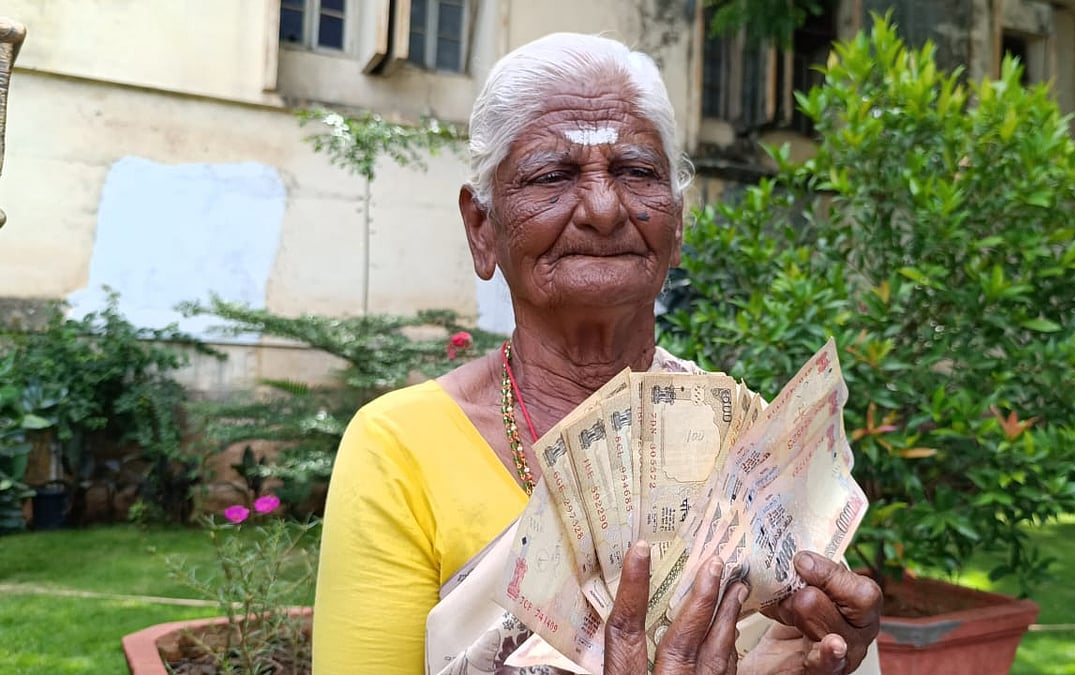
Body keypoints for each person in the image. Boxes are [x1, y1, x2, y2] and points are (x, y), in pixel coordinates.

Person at [312, 32, 882, 674]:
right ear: (482, 228)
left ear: (678, 225)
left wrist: (826, 655)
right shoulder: (401, 448)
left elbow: (806, 651)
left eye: (636, 172)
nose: (605, 209)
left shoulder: (754, 444)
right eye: (552, 175)